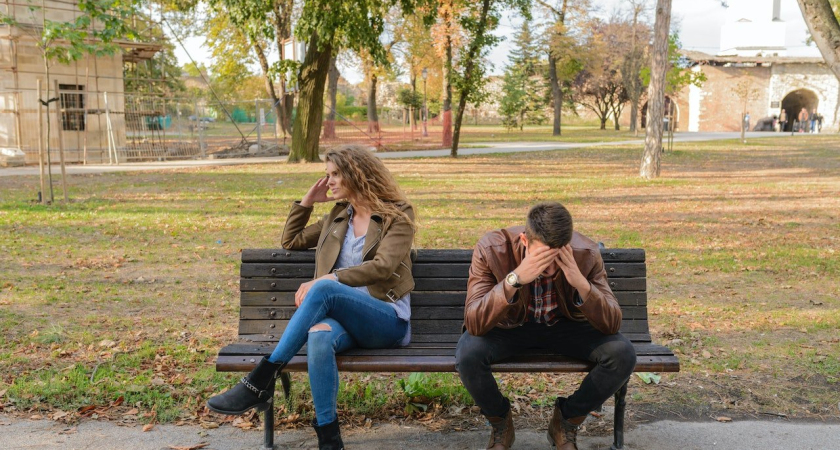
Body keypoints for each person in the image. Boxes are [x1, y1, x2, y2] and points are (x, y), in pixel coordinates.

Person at [207, 144, 416, 450]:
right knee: (318, 336)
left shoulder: (397, 213)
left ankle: (261, 379)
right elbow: (290, 240)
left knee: (323, 287)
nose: (328, 181)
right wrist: (306, 202)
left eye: (334, 174)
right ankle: (329, 439)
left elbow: (383, 268)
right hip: (346, 321)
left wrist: (331, 278)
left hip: (387, 319)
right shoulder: (337, 216)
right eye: (327, 174)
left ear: (356, 173)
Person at [455, 202, 636, 450]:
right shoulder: (491, 249)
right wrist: (514, 279)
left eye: (558, 258)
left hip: (564, 326)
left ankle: (566, 421)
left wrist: (581, 283)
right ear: (525, 241)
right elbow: (474, 323)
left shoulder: (586, 252)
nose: (549, 269)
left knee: (622, 354)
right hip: (511, 327)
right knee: (468, 354)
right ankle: (500, 423)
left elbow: (612, 323)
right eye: (542, 258)